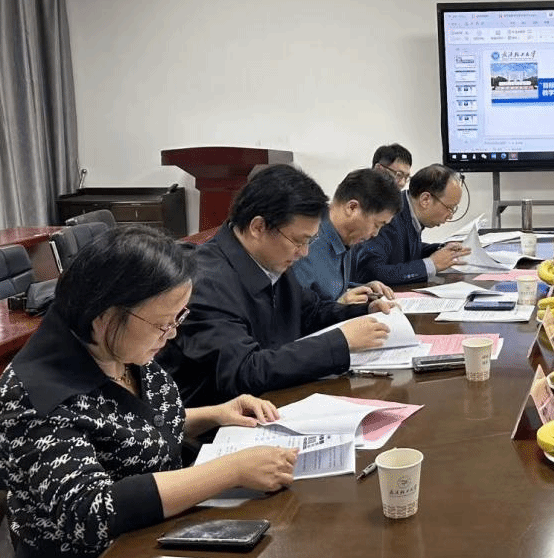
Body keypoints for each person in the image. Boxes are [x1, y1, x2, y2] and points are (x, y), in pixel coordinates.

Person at [0, 226, 298, 558]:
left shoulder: (120, 350)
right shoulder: (35, 394)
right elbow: (94, 511)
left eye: (178, 319)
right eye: (163, 323)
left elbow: (128, 429)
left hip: (159, 546)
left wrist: (214, 414)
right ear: (105, 317)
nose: (171, 334)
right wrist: (231, 471)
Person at [159, 164, 390, 406]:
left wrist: (362, 311)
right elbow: (244, 371)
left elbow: (309, 311)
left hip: (271, 399)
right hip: (220, 418)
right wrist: (340, 343)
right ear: (258, 227)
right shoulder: (205, 281)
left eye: (310, 241)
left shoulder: (269, 260)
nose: (304, 252)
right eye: (298, 241)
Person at [293, 168, 402, 301]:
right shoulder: (307, 243)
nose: (375, 233)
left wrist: (363, 288)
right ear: (352, 207)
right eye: (376, 224)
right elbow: (296, 308)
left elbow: (328, 288)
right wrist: (340, 306)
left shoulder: (345, 237)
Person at [354, 164, 470, 286]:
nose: (450, 216)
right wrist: (432, 264)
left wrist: (441, 249)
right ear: (425, 200)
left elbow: (402, 251)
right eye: (449, 208)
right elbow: (373, 273)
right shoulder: (388, 218)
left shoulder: (409, 211)